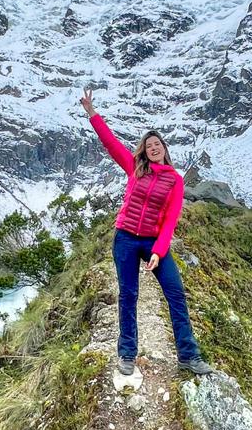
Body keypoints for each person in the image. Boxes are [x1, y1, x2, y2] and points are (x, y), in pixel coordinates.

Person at [80, 88, 213, 376]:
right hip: (126, 238)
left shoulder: (175, 181)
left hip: (153, 240)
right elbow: (110, 143)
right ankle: (127, 353)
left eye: (157, 144)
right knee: (128, 294)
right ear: (144, 150)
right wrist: (92, 113)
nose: (153, 147)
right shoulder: (134, 168)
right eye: (148, 144)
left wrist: (158, 251)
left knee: (175, 292)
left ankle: (188, 355)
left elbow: (170, 221)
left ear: (165, 149)